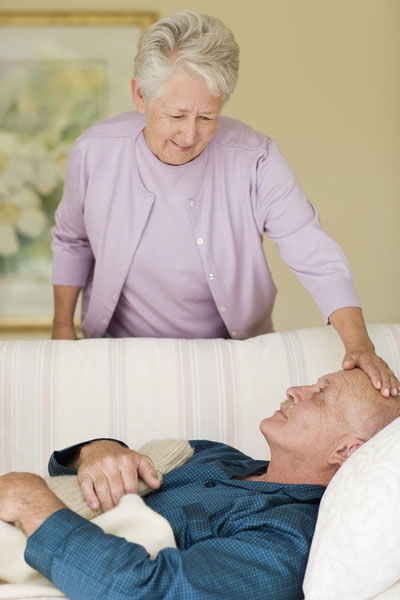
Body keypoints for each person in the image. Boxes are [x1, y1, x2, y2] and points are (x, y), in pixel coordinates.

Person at [50, 10, 399, 399]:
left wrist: (359, 345)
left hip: (231, 354)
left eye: (207, 117)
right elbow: (71, 240)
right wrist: (63, 327)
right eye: (176, 115)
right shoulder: (94, 152)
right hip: (119, 349)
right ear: (140, 95)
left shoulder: (256, 159)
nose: (189, 134)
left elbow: (310, 247)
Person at [1, 369, 399, 600]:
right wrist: (97, 449)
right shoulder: (212, 454)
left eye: (321, 395)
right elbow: (65, 473)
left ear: (347, 451)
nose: (295, 390)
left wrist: (30, 503)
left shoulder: (287, 538)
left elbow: (149, 592)